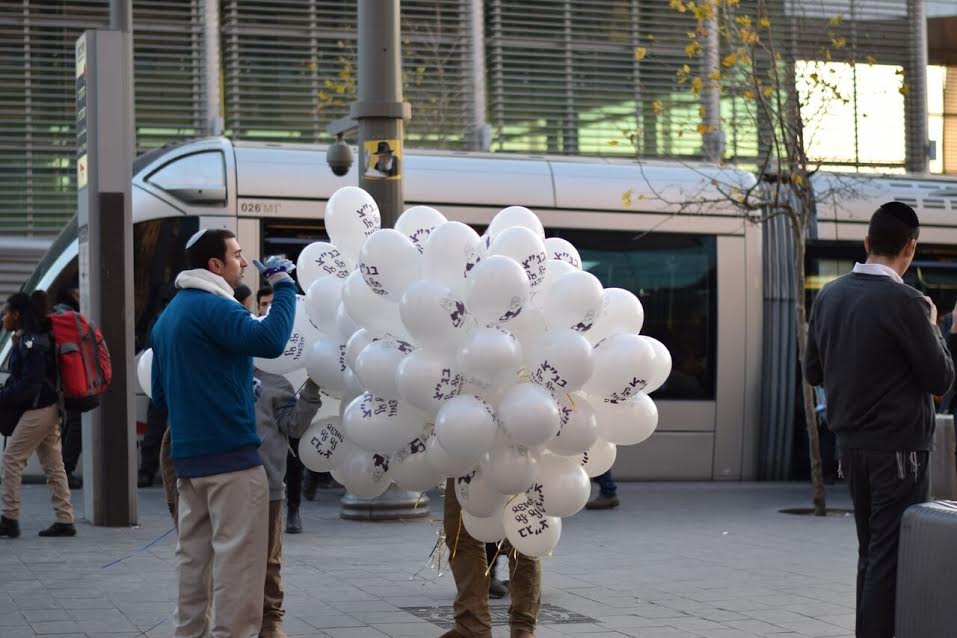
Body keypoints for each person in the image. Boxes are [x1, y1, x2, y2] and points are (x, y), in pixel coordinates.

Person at [804, 201, 955, 638]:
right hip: (901, 449)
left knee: (871, 551)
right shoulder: (909, 303)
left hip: (850, 449)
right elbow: (940, 377)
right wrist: (932, 325)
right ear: (910, 248)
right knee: (890, 555)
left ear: (867, 242)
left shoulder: (830, 295)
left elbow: (813, 371)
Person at [150, 228, 297, 637]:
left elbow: (162, 396)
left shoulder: (168, 318)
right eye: (237, 255)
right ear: (214, 266)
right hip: (233, 460)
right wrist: (284, 288)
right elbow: (270, 339)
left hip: (189, 463)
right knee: (239, 567)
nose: (245, 262)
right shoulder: (215, 307)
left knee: (193, 563)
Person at [0, 291, 76, 538]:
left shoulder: (31, 341)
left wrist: (4, 396)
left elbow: (31, 384)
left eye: (6, 313)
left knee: (12, 459)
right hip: (49, 407)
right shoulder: (28, 338)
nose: (3, 318)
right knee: (53, 464)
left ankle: (9, 518)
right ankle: (65, 520)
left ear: (17, 315)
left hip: (40, 409)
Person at [442, 479, 540, 638]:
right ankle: (471, 626)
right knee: (460, 531)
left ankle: (523, 627)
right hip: (465, 458)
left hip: (514, 457)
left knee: (523, 528)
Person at [51, 286, 83, 490]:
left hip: (58, 382)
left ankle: (60, 471)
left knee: (68, 424)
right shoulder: (70, 318)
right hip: (70, 380)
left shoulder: (55, 315)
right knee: (76, 424)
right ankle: (64, 470)